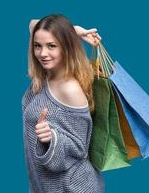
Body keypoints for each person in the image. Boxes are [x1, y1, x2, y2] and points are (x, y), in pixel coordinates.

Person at [22, 14, 104, 193]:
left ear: (66, 47)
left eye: (52, 46)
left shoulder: (70, 89)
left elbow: (79, 149)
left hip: (73, 188)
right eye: (38, 46)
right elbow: (33, 24)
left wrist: (52, 137)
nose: (43, 53)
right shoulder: (48, 75)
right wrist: (73, 31)